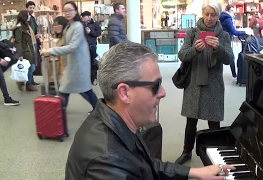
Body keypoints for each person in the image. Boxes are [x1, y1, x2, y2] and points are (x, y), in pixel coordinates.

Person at [65, 42, 235, 179]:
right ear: (124, 93)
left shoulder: (118, 121)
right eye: (156, 86)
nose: (163, 93)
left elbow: (146, 166)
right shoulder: (107, 162)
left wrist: (194, 172)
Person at [175, 0, 233, 165]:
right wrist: (195, 49)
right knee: (191, 121)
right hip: (193, 84)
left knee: (214, 123)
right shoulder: (192, 32)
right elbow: (182, 55)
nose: (209, 18)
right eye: (206, 14)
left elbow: (229, 60)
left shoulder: (223, 35)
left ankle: (216, 155)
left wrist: (218, 48)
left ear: (218, 15)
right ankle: (186, 152)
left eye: (213, 15)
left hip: (213, 85)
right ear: (202, 14)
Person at [42, 1, 98, 114]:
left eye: (70, 10)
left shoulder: (77, 26)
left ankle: (59, 120)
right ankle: (99, 110)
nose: (67, 13)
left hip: (78, 65)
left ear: (75, 11)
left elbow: (73, 47)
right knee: (81, 90)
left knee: (68, 90)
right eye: (65, 10)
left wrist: (51, 51)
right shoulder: (70, 25)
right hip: (74, 64)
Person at [219, 4, 249, 79]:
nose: (233, 12)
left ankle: (233, 74)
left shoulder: (223, 17)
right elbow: (233, 31)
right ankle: (234, 75)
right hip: (226, 39)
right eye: (232, 10)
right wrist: (244, 32)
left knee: (222, 56)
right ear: (228, 10)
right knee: (230, 56)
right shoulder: (227, 18)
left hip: (221, 38)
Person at [13, 10, 38, 92]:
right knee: (31, 67)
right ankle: (27, 84)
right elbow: (18, 42)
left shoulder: (27, 26)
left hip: (30, 50)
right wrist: (20, 54)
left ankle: (26, 83)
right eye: (28, 15)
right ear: (24, 17)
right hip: (25, 51)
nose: (30, 17)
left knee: (31, 68)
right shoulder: (19, 28)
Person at [81, 11, 101, 84]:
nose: (82, 18)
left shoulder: (95, 24)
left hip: (92, 46)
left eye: (84, 17)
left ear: (89, 17)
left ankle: (92, 78)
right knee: (84, 63)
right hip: (83, 47)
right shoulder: (81, 24)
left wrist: (90, 32)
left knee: (92, 62)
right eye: (82, 17)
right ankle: (85, 79)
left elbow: (98, 33)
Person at [25, 1, 40, 86]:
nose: (32, 9)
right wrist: (34, 36)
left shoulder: (33, 18)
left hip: (34, 42)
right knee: (31, 63)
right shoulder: (25, 18)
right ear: (27, 8)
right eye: (30, 7)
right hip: (29, 43)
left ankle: (31, 80)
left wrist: (37, 34)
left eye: (33, 8)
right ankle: (28, 82)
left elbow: (35, 28)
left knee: (33, 62)